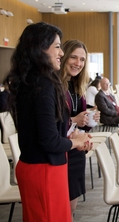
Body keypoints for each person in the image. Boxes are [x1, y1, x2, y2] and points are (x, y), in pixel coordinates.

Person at [8, 22, 91, 221]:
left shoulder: (30, 80)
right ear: (40, 48)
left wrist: (68, 135)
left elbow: (41, 131)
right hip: (45, 170)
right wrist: (76, 142)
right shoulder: (44, 84)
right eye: (57, 46)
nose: (61, 53)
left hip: (35, 167)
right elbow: (48, 140)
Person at [59, 39, 100, 218]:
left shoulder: (77, 86)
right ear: (63, 56)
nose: (78, 63)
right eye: (74, 58)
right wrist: (74, 119)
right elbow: (52, 123)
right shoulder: (55, 86)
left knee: (71, 207)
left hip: (75, 150)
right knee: (62, 208)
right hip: (61, 149)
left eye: (82, 60)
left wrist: (89, 122)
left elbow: (80, 121)